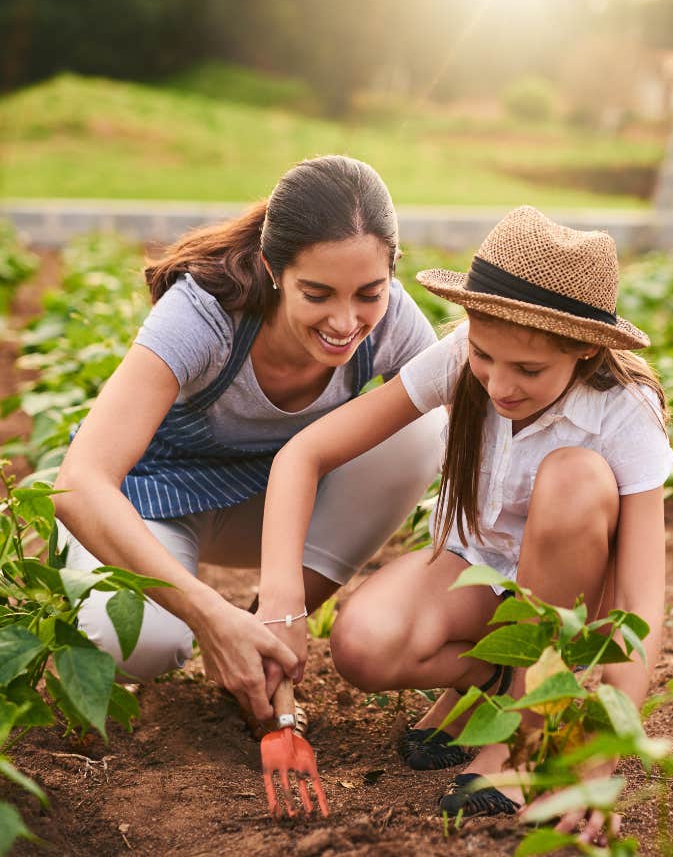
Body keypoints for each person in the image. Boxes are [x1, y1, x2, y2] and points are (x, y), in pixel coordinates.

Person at [260, 205, 673, 836]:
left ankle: (530, 735)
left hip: (573, 610)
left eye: (528, 370)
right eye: (484, 357)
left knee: (571, 475)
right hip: (481, 576)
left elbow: (641, 602)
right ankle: (500, 682)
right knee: (363, 645)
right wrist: (283, 600)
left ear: (587, 349)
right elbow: (306, 452)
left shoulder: (626, 413)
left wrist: (602, 756)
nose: (499, 384)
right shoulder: (462, 356)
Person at [53, 155, 445, 727]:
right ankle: (216, 629)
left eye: (369, 292)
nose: (345, 321)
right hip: (155, 504)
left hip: (275, 510)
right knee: (139, 643)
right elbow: (79, 481)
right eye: (317, 294)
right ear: (272, 269)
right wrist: (211, 616)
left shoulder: (391, 321)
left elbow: (475, 435)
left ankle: (269, 639)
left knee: (424, 424)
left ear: (392, 270)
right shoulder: (204, 314)